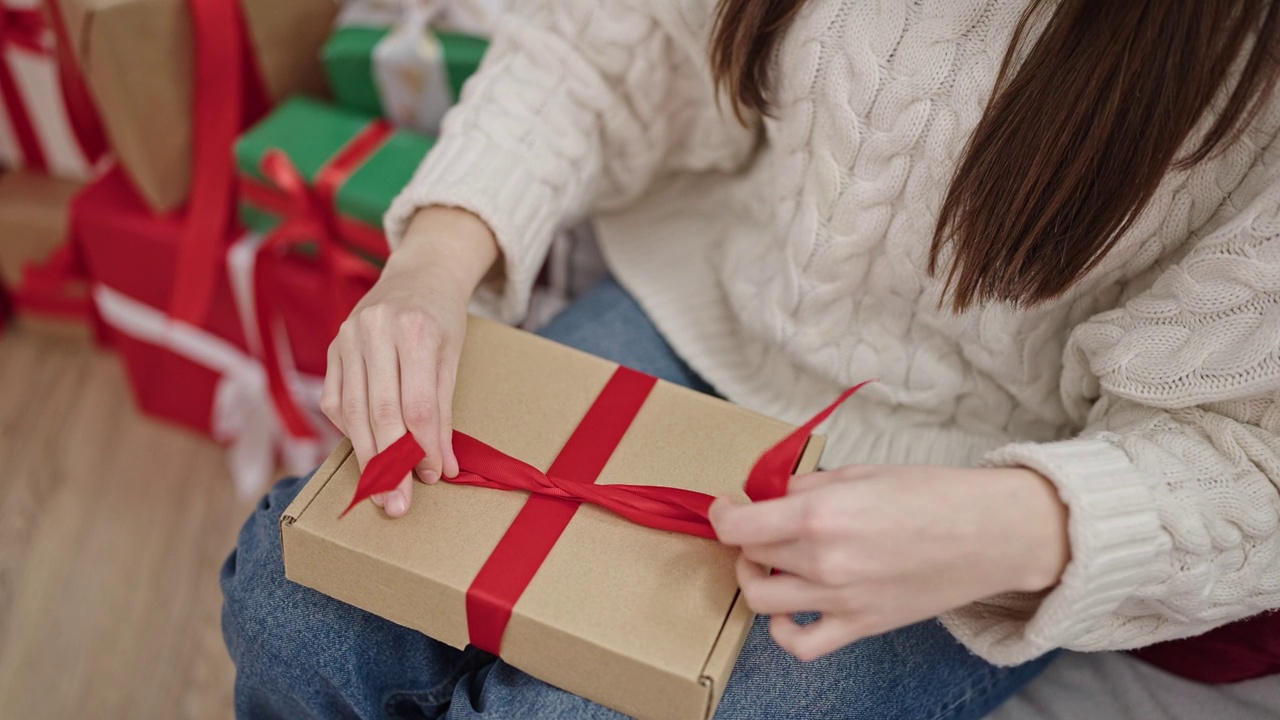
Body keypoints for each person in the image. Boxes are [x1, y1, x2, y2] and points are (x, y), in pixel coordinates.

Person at [220, 0, 1280, 717]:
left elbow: (1250, 455)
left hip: (978, 487)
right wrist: (434, 258)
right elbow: (603, 49)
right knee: (293, 600)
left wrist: (1025, 524)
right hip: (710, 310)